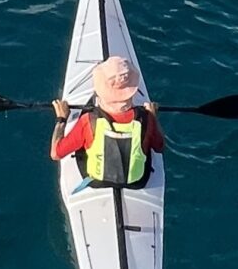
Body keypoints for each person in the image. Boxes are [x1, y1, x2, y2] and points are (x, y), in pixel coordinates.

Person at [50, 56, 165, 187]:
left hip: (97, 180)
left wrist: (61, 119)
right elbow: (159, 147)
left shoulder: (88, 120)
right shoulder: (147, 119)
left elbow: (56, 154)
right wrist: (153, 116)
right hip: (136, 181)